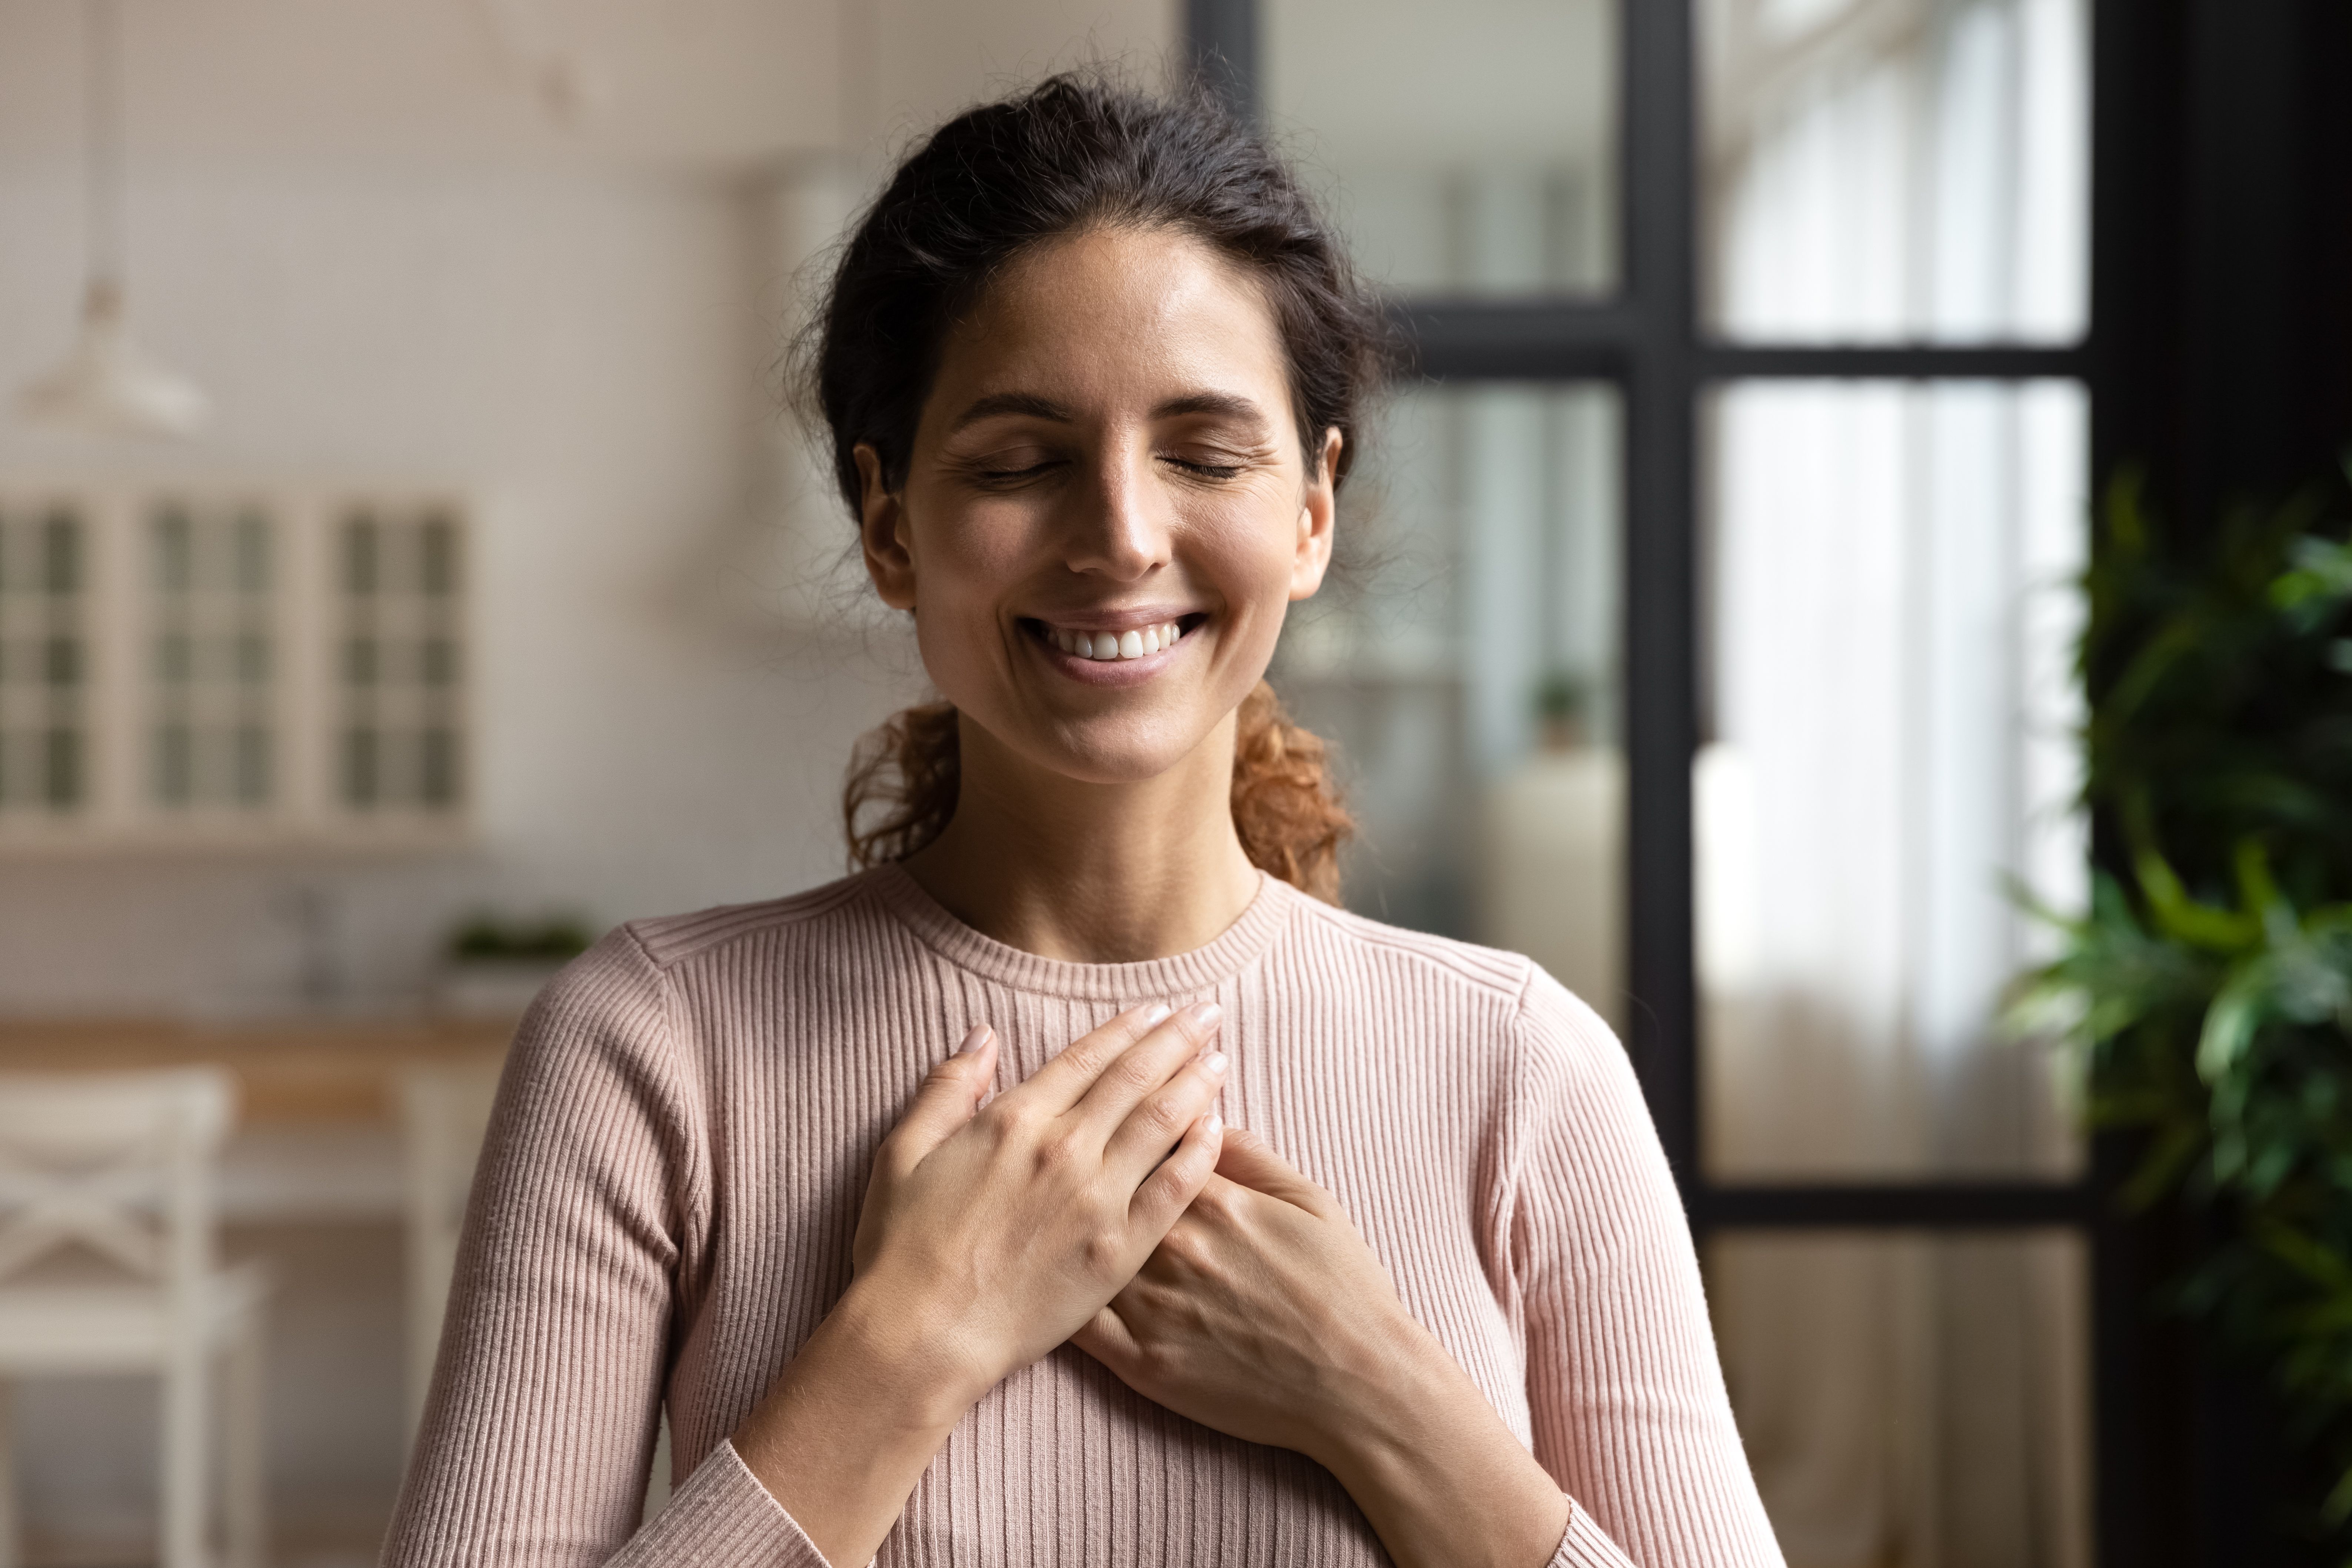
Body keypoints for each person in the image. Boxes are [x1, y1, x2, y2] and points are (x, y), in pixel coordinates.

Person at [384, 73, 1783, 1568]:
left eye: (1203, 449)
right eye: (1018, 459)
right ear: (889, 525)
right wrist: (911, 1345)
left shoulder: (1526, 1072)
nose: (1119, 531)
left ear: (1311, 508)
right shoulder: (649, 1051)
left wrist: (1377, 1396)